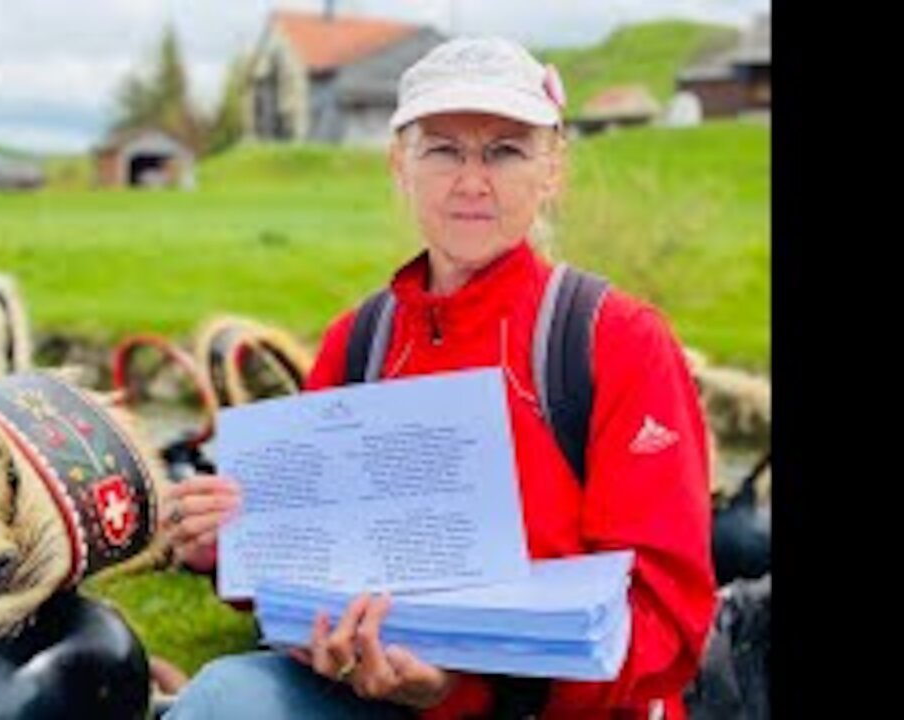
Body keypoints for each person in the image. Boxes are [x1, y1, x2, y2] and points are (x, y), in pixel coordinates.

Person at [159, 36, 717, 719]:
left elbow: (667, 622)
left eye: (506, 151)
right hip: (384, 699)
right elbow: (309, 568)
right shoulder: (357, 342)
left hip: (561, 712)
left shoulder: (618, 340)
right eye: (443, 149)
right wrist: (233, 546)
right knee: (224, 698)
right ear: (401, 163)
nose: (472, 181)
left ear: (553, 170)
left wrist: (466, 688)